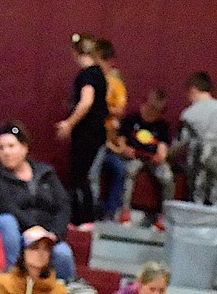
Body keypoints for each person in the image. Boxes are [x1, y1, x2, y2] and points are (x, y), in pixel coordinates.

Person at [0, 121, 76, 281]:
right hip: (17, 233)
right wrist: (34, 229)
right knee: (6, 221)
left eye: (11, 146)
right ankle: (9, 281)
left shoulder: (46, 173)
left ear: (24, 147)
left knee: (63, 253)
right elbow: (4, 206)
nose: (6, 152)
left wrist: (53, 234)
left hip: (47, 235)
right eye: (1, 148)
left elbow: (63, 205)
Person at [54, 33, 108, 225]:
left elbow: (86, 102)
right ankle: (86, 218)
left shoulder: (87, 75)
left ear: (76, 52)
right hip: (95, 134)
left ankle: (83, 219)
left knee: (81, 178)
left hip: (88, 135)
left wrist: (69, 123)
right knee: (85, 178)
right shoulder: (99, 73)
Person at [176, 71, 217, 208]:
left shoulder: (189, 113)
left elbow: (182, 140)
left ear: (193, 90)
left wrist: (168, 154)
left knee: (196, 193)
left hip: (198, 157)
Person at [116, 89, 174, 225]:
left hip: (152, 158)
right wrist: (125, 150)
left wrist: (160, 157)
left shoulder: (162, 126)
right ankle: (124, 212)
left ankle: (164, 217)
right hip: (134, 157)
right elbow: (120, 140)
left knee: (167, 177)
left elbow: (163, 147)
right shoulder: (132, 119)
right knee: (129, 172)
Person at [87, 38, 128, 222]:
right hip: (91, 135)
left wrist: (101, 107)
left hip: (108, 138)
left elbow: (120, 110)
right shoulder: (90, 78)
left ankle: (109, 211)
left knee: (120, 170)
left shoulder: (115, 83)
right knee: (92, 174)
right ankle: (91, 210)